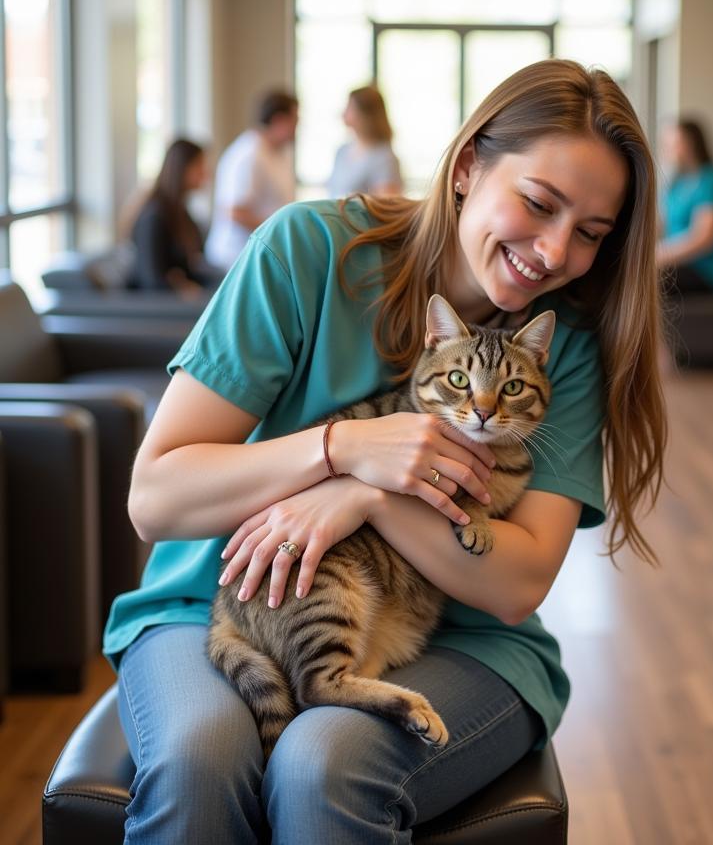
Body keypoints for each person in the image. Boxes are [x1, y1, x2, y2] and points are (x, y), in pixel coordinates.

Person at [105, 59, 667, 843]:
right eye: (538, 203)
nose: (552, 250)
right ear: (468, 164)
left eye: (592, 234)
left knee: (321, 762)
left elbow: (518, 581)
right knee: (201, 758)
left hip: (466, 635)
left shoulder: (563, 344)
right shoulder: (307, 251)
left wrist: (370, 497)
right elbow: (155, 498)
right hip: (216, 600)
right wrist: (344, 448)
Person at [205, 90, 299, 270]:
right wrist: (279, 231)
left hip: (264, 252)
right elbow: (235, 211)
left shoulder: (281, 153)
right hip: (235, 258)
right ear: (279, 120)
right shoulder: (248, 154)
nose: (297, 128)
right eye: (294, 121)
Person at [127, 138, 220, 295]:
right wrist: (182, 288)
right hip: (161, 311)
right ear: (182, 169)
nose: (206, 173)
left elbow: (188, 268)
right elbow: (152, 280)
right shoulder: (154, 216)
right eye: (200, 166)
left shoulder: (181, 213)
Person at [655, 117, 713, 293]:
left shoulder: (712, 180)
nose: (667, 149)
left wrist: (659, 255)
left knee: (643, 281)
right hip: (680, 265)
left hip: (706, 272)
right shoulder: (677, 182)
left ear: (692, 143)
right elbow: (661, 225)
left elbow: (704, 239)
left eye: (674, 143)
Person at [328, 85, 403, 198]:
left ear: (365, 114)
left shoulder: (384, 158)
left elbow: (387, 204)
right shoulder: (342, 151)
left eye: (350, 107)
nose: (343, 113)